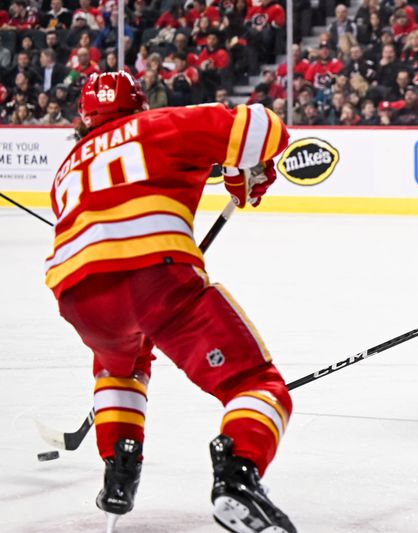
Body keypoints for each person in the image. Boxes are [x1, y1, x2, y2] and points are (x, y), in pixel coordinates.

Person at [45, 72, 296, 533]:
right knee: (257, 383)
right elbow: (267, 128)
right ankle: (237, 476)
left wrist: (239, 171)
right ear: (140, 103)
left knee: (119, 366)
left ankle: (118, 472)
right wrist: (246, 170)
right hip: (156, 279)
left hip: (79, 296)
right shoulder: (164, 123)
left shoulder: (68, 165)